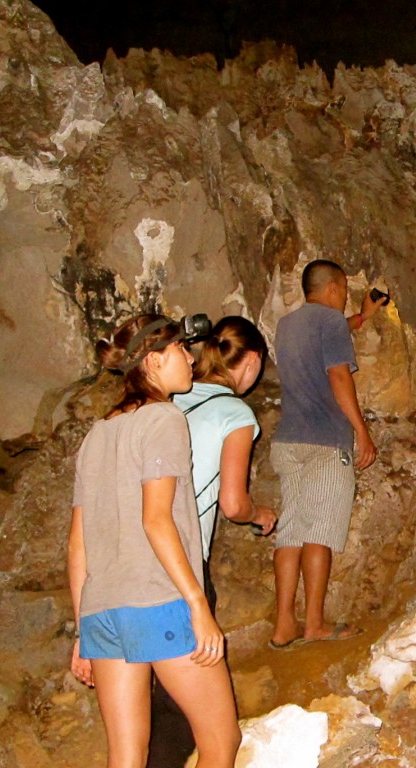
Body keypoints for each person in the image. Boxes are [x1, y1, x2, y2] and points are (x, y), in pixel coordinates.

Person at [68, 314, 241, 768]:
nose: (189, 358)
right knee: (221, 742)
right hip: (158, 602)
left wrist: (83, 629)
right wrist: (198, 605)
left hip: (103, 611)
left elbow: (78, 543)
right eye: (182, 350)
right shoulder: (163, 417)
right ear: (153, 360)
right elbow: (157, 521)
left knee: (126, 755)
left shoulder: (96, 434)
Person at [147, 315, 278, 768]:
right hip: (180, 563)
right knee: (186, 714)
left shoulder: (170, 402)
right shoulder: (236, 413)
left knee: (144, 704)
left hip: (132, 566)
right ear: (252, 361)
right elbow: (233, 502)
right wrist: (260, 515)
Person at [268, 260, 386, 649]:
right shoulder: (330, 323)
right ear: (335, 287)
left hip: (288, 442)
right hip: (324, 441)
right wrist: (362, 431)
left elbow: (324, 341)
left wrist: (361, 318)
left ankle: (284, 623)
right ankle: (315, 623)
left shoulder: (288, 325)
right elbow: (338, 375)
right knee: (319, 532)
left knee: (291, 533)